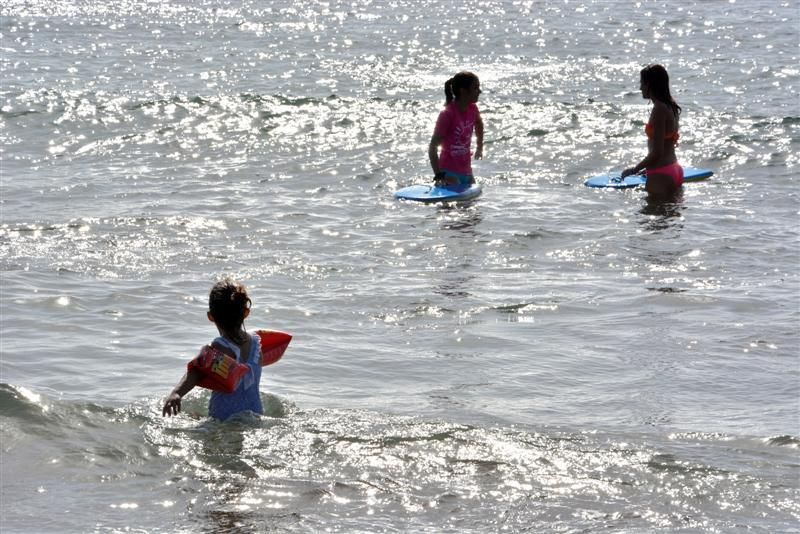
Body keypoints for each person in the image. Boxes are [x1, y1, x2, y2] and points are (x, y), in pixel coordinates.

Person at [162, 279, 264, 421]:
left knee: (191, 418)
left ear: (210, 316)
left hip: (224, 417)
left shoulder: (220, 346)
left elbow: (196, 371)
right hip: (256, 414)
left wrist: (176, 393)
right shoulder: (256, 343)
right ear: (246, 312)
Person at [621, 64, 683, 198]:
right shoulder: (671, 105)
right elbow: (667, 144)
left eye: (642, 83)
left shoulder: (659, 109)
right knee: (669, 218)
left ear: (650, 85)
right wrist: (645, 169)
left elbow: (657, 152)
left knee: (650, 217)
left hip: (661, 173)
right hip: (674, 169)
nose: (640, 88)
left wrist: (634, 169)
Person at [428, 71, 484, 187]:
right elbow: (433, 146)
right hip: (448, 172)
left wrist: (479, 147)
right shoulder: (447, 114)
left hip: (467, 172)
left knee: (472, 204)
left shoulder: (473, 109)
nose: (479, 91)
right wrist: (439, 175)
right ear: (463, 91)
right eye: (475, 88)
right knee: (450, 205)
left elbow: (479, 124)